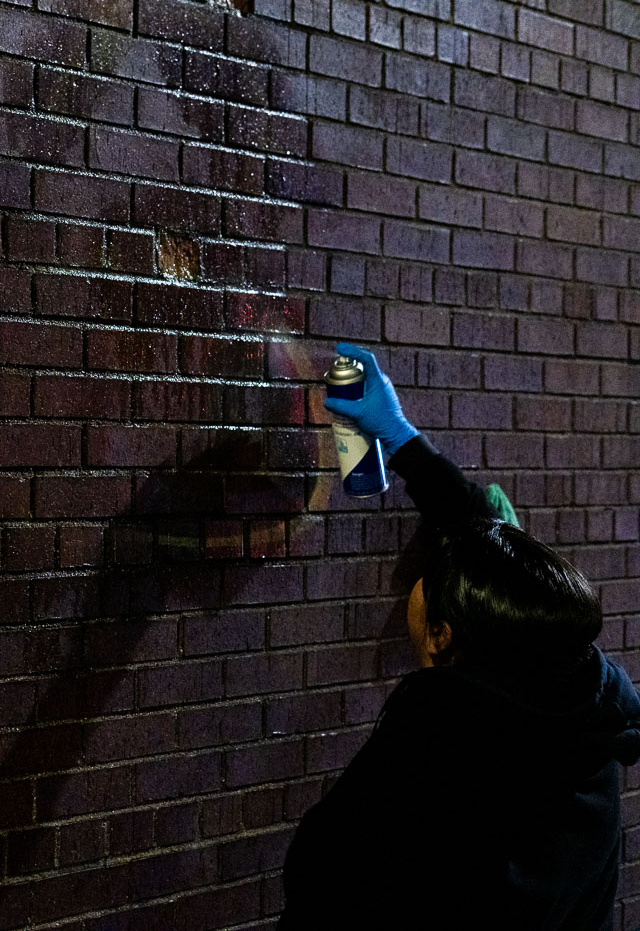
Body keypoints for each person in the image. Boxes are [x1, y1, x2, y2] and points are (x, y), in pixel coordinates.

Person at [277, 343, 640, 931]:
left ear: (443, 636)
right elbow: (501, 565)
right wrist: (401, 438)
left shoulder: (439, 740)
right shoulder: (583, 715)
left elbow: (326, 873)